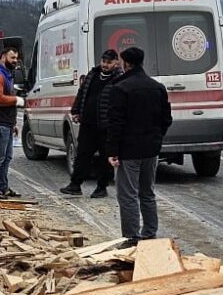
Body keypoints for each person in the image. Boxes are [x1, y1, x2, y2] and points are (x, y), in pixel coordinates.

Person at [107, 47, 172, 242]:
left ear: (126, 63)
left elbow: (115, 123)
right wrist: (157, 138)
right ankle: (150, 232)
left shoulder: (121, 88)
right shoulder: (157, 87)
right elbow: (166, 119)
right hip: (151, 149)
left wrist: (112, 150)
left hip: (129, 149)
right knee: (147, 192)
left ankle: (132, 236)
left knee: (128, 195)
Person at [61, 49, 122, 198]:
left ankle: (102, 187)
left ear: (116, 62)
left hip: (105, 125)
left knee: (104, 158)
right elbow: (82, 93)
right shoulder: (93, 74)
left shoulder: (118, 79)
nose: (105, 65)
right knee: (82, 154)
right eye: (103, 61)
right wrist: (76, 110)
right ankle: (75, 184)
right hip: (88, 123)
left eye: (109, 62)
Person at [0, 47, 24, 199]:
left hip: (6, 124)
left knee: (6, 157)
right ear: (3, 57)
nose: (15, 61)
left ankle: (3, 188)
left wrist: (13, 123)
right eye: (12, 57)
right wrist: (16, 100)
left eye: (16, 58)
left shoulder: (7, 74)